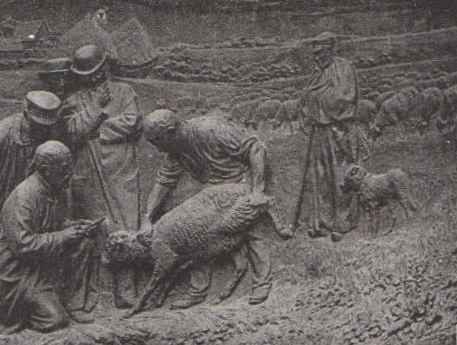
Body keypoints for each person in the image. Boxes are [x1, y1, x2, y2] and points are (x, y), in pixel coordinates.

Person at [141, 108, 277, 307]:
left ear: (171, 132)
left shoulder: (211, 129)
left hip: (240, 183)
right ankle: (198, 290)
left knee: (251, 228)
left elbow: (256, 149)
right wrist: (147, 217)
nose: (159, 150)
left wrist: (257, 191)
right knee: (192, 232)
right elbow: (164, 181)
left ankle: (261, 281)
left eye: (159, 143)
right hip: (211, 193)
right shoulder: (175, 148)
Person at [59, 44, 143, 311]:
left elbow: (133, 123)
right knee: (92, 230)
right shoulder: (73, 101)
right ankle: (90, 293)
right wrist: (98, 110)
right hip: (88, 174)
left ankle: (125, 289)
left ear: (105, 67)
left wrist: (96, 129)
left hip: (121, 173)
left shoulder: (125, 92)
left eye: (98, 70)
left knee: (125, 229)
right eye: (88, 73)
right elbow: (73, 132)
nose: (95, 77)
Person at [0, 141, 102, 334]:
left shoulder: (56, 189)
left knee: (83, 243)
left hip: (43, 264)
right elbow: (23, 246)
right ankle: (29, 310)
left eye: (70, 167)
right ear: (46, 170)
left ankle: (71, 303)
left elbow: (53, 225)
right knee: (55, 321)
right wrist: (63, 236)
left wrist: (74, 228)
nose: (70, 173)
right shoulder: (24, 197)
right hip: (21, 275)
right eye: (65, 169)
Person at [0, 90, 63, 279]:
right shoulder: (4, 132)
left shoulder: (49, 135)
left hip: (29, 202)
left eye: (46, 126)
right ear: (26, 113)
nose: (41, 130)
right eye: (37, 125)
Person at [294, 32, 362, 240]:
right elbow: (306, 98)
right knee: (320, 177)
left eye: (321, 52)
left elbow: (344, 98)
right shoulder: (318, 72)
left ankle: (342, 222)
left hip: (338, 131)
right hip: (320, 131)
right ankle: (321, 222)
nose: (317, 57)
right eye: (315, 53)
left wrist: (315, 100)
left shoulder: (344, 68)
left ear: (330, 50)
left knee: (340, 176)